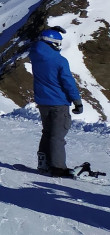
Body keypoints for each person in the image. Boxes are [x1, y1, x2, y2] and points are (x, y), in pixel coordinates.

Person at [30, 29, 83, 177]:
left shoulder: (34, 55)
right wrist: (77, 101)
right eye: (58, 43)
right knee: (57, 136)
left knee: (47, 133)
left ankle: (43, 163)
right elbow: (68, 82)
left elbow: (37, 42)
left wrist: (49, 31)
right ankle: (58, 168)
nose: (59, 46)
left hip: (43, 102)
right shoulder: (59, 60)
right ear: (52, 43)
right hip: (58, 103)